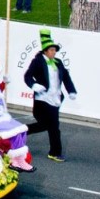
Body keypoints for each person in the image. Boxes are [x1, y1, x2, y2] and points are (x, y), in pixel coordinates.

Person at [23, 29, 77, 162]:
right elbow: (27, 76)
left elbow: (66, 77)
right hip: (42, 100)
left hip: (55, 99)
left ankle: (23, 131)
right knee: (52, 126)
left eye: (55, 50)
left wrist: (71, 90)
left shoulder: (58, 63)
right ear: (45, 51)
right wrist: (34, 85)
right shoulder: (37, 61)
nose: (54, 52)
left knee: (48, 126)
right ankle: (55, 152)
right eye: (52, 50)